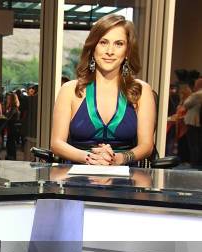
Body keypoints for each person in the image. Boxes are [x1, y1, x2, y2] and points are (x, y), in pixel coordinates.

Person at [50, 14, 155, 166]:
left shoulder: (142, 91)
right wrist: (89, 158)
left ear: (127, 51)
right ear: (93, 48)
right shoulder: (69, 90)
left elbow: (146, 146)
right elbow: (56, 144)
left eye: (119, 44)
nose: (110, 51)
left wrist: (119, 159)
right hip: (77, 176)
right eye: (103, 42)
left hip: (124, 178)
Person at [182, 78, 202, 166]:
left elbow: (186, 104)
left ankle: (195, 162)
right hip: (198, 122)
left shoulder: (197, 94)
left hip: (193, 122)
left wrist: (189, 94)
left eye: (196, 84)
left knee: (193, 144)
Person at [4, 92, 21, 160]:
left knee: (11, 143)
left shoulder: (13, 108)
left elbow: (8, 118)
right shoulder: (13, 108)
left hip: (12, 128)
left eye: (9, 98)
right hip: (12, 128)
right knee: (10, 142)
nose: (7, 100)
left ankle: (11, 156)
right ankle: (11, 156)